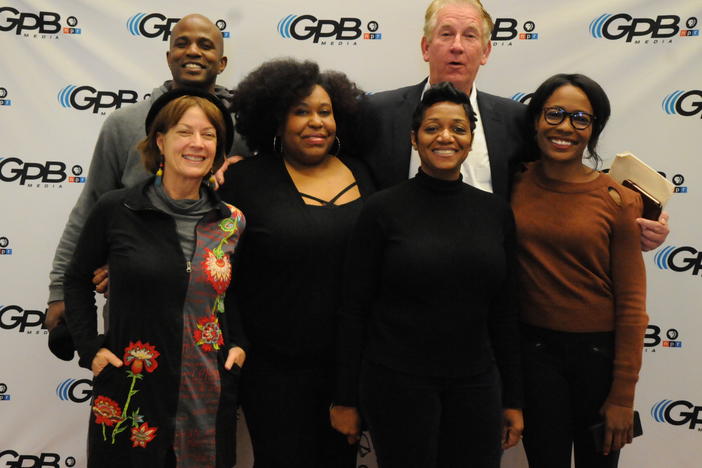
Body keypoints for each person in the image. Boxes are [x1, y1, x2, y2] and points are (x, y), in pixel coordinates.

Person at [359, 0, 669, 248]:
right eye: (445, 34)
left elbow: (560, 186)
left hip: (491, 287)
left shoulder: (516, 120)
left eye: (469, 36)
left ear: (486, 51)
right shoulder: (377, 113)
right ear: (426, 47)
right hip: (395, 286)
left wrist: (631, 220)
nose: (457, 46)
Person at [335, 82, 522, 468]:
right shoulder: (381, 210)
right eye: (432, 127)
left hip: (476, 382)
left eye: (458, 128)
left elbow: (505, 312)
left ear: (471, 140)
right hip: (396, 382)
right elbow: (354, 308)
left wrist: (513, 399)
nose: (445, 137)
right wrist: (345, 397)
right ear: (414, 139)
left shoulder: (495, 213)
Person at [63, 89, 246, 468]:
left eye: (209, 135)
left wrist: (238, 345)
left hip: (206, 393)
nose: (197, 144)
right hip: (131, 386)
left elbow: (233, 292)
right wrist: (90, 349)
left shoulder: (232, 221)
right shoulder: (118, 208)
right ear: (160, 141)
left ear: (219, 149)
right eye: (185, 132)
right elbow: (77, 279)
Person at [46, 13, 249, 348]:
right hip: (135, 308)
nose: (193, 51)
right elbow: (90, 207)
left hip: (213, 315)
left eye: (205, 44)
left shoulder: (244, 128)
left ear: (222, 61)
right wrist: (60, 289)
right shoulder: (124, 124)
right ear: (168, 58)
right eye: (182, 44)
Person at [218, 59, 373, 468]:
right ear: (276, 119)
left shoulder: (363, 174)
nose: (316, 122)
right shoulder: (243, 181)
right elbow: (220, 273)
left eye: (325, 111)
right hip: (273, 372)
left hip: (350, 367)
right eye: (301, 111)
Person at [511, 74, 648, 468]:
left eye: (580, 119)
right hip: (533, 355)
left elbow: (633, 302)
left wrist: (623, 395)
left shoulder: (617, 199)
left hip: (597, 361)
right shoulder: (514, 182)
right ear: (536, 119)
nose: (565, 127)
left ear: (593, 130)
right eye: (554, 113)